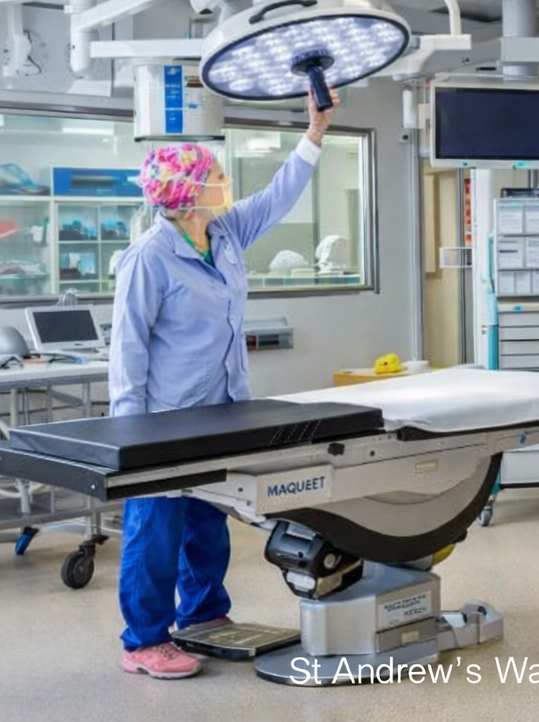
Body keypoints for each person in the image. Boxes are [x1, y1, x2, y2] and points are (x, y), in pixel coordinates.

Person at [110, 89, 336, 678]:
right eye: (214, 174)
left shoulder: (226, 232)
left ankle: (206, 616)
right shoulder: (148, 259)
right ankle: (143, 641)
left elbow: (279, 195)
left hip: (222, 409)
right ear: (187, 196)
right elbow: (128, 348)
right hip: (163, 417)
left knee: (209, 520)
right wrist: (131, 431)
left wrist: (314, 133)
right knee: (155, 530)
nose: (225, 178)